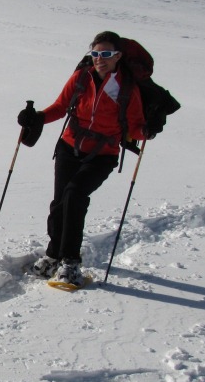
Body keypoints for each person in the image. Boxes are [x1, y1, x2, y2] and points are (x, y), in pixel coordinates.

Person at [17, 30, 147, 288]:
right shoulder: (80, 78)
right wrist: (38, 117)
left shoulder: (126, 88)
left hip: (103, 153)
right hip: (69, 146)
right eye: (96, 53)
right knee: (60, 203)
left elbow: (136, 126)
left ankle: (71, 262)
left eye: (106, 54)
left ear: (118, 56)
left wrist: (146, 131)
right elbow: (61, 106)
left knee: (75, 195)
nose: (100, 59)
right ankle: (53, 255)